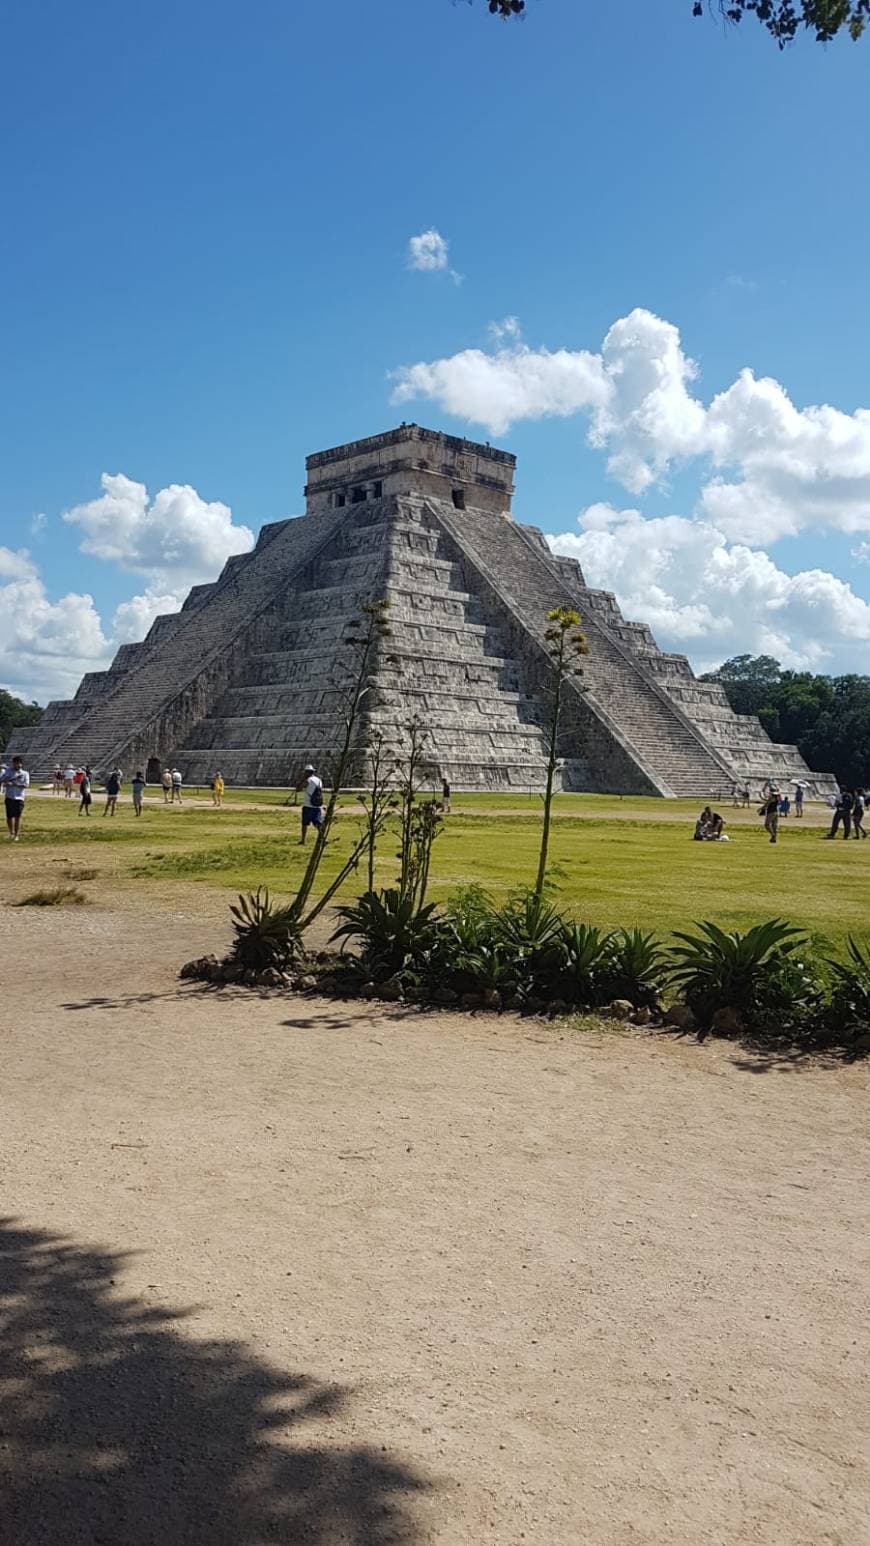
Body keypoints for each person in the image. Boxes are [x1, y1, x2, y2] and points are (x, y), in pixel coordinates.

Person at [1, 755, 30, 841]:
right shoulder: (8, 771)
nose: (18, 765)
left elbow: (26, 785)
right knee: (9, 816)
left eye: (19, 764)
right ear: (13, 764)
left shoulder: (25, 773)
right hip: (9, 796)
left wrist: (14, 784)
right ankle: (11, 833)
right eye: (16, 763)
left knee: (18, 816)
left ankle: (17, 835)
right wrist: (7, 780)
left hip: (19, 798)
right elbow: (2, 780)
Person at [295, 762, 323, 844]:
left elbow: (298, 789)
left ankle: (303, 840)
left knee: (304, 824)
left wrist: (302, 780)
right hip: (317, 805)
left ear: (307, 772)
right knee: (317, 823)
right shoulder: (319, 780)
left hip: (308, 805)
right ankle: (322, 838)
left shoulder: (308, 780)